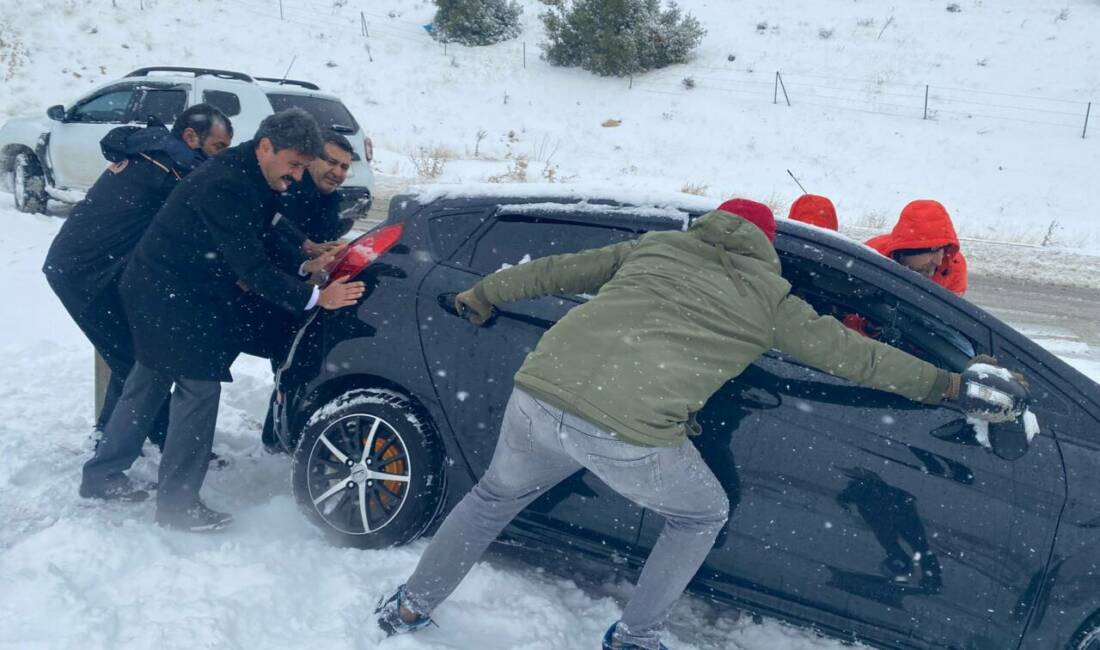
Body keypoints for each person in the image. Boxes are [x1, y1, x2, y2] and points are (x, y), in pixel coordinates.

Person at [375, 198, 1028, 649]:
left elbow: (553, 272)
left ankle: (409, 605)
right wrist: (948, 384)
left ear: (711, 225)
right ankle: (634, 637)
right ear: (765, 247)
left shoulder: (654, 249)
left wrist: (483, 295)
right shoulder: (770, 300)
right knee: (699, 513)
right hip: (625, 432)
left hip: (540, 396)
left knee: (491, 498)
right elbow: (857, 356)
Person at [79, 108, 366, 532]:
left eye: (304, 166)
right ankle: (177, 506)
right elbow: (251, 265)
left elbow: (265, 231)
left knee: (147, 382)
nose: (298, 175)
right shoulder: (226, 182)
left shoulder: (254, 171)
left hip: (175, 288)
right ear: (267, 147)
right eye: (294, 164)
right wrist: (316, 297)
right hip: (168, 293)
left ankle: (101, 476)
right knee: (198, 389)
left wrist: (306, 259)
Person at [43, 104, 233, 449]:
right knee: (137, 362)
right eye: (218, 147)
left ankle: (112, 434)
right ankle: (147, 443)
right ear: (191, 136)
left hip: (89, 265)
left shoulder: (153, 151)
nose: (220, 158)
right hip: (85, 274)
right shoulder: (170, 167)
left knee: (134, 353)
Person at [865, 199, 967, 295]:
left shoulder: (954, 268)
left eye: (944, 249)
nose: (938, 261)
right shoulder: (870, 259)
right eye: (933, 250)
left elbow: (948, 313)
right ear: (906, 250)